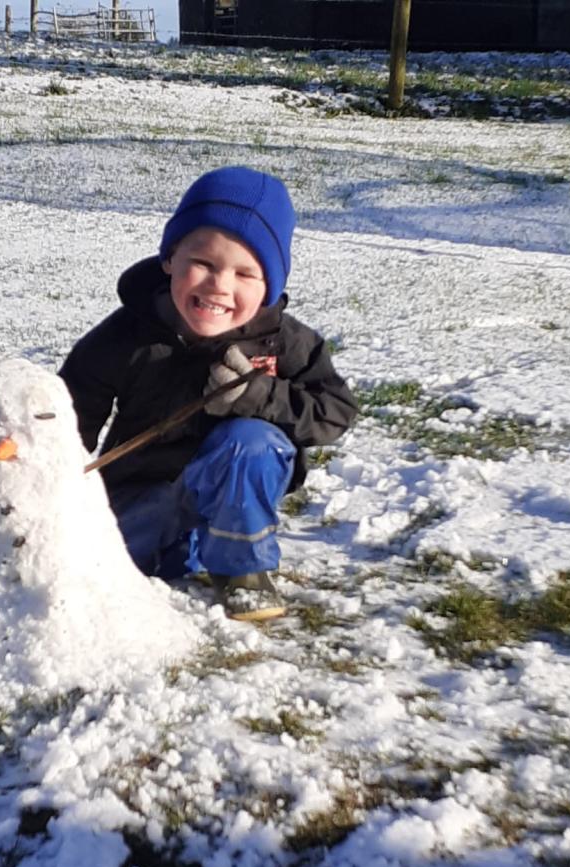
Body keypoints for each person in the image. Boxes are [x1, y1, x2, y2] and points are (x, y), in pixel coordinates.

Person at [59, 165, 357, 621]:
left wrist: (257, 396)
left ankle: (243, 571)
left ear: (269, 286)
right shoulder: (126, 336)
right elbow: (70, 420)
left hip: (233, 491)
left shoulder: (286, 342)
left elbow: (335, 412)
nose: (220, 285)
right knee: (85, 574)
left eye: (245, 274)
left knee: (250, 443)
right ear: (170, 260)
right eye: (203, 263)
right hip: (144, 488)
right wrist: (45, 490)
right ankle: (174, 550)